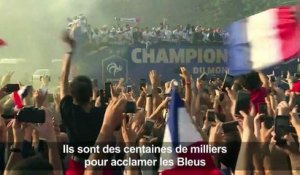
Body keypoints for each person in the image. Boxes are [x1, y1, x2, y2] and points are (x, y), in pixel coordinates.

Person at [60, 32, 106, 175]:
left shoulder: (68, 110)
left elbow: (63, 80)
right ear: (91, 93)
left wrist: (70, 51)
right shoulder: (102, 113)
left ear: (72, 94)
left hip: (77, 167)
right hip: (101, 166)